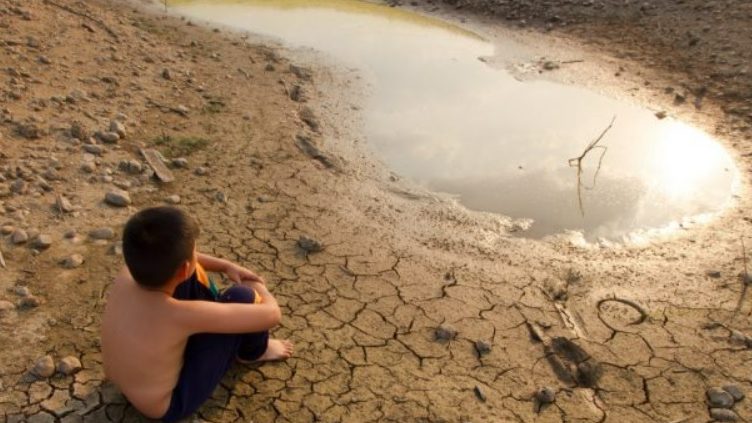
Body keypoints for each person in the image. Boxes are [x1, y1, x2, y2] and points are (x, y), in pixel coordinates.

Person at [101, 206, 293, 422]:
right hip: (168, 405)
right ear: (184, 267)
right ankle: (254, 352)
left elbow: (183, 261)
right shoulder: (180, 315)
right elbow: (272, 314)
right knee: (243, 295)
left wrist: (226, 266)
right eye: (195, 251)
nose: (196, 255)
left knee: (184, 273)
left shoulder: (128, 274)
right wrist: (258, 286)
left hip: (124, 383)